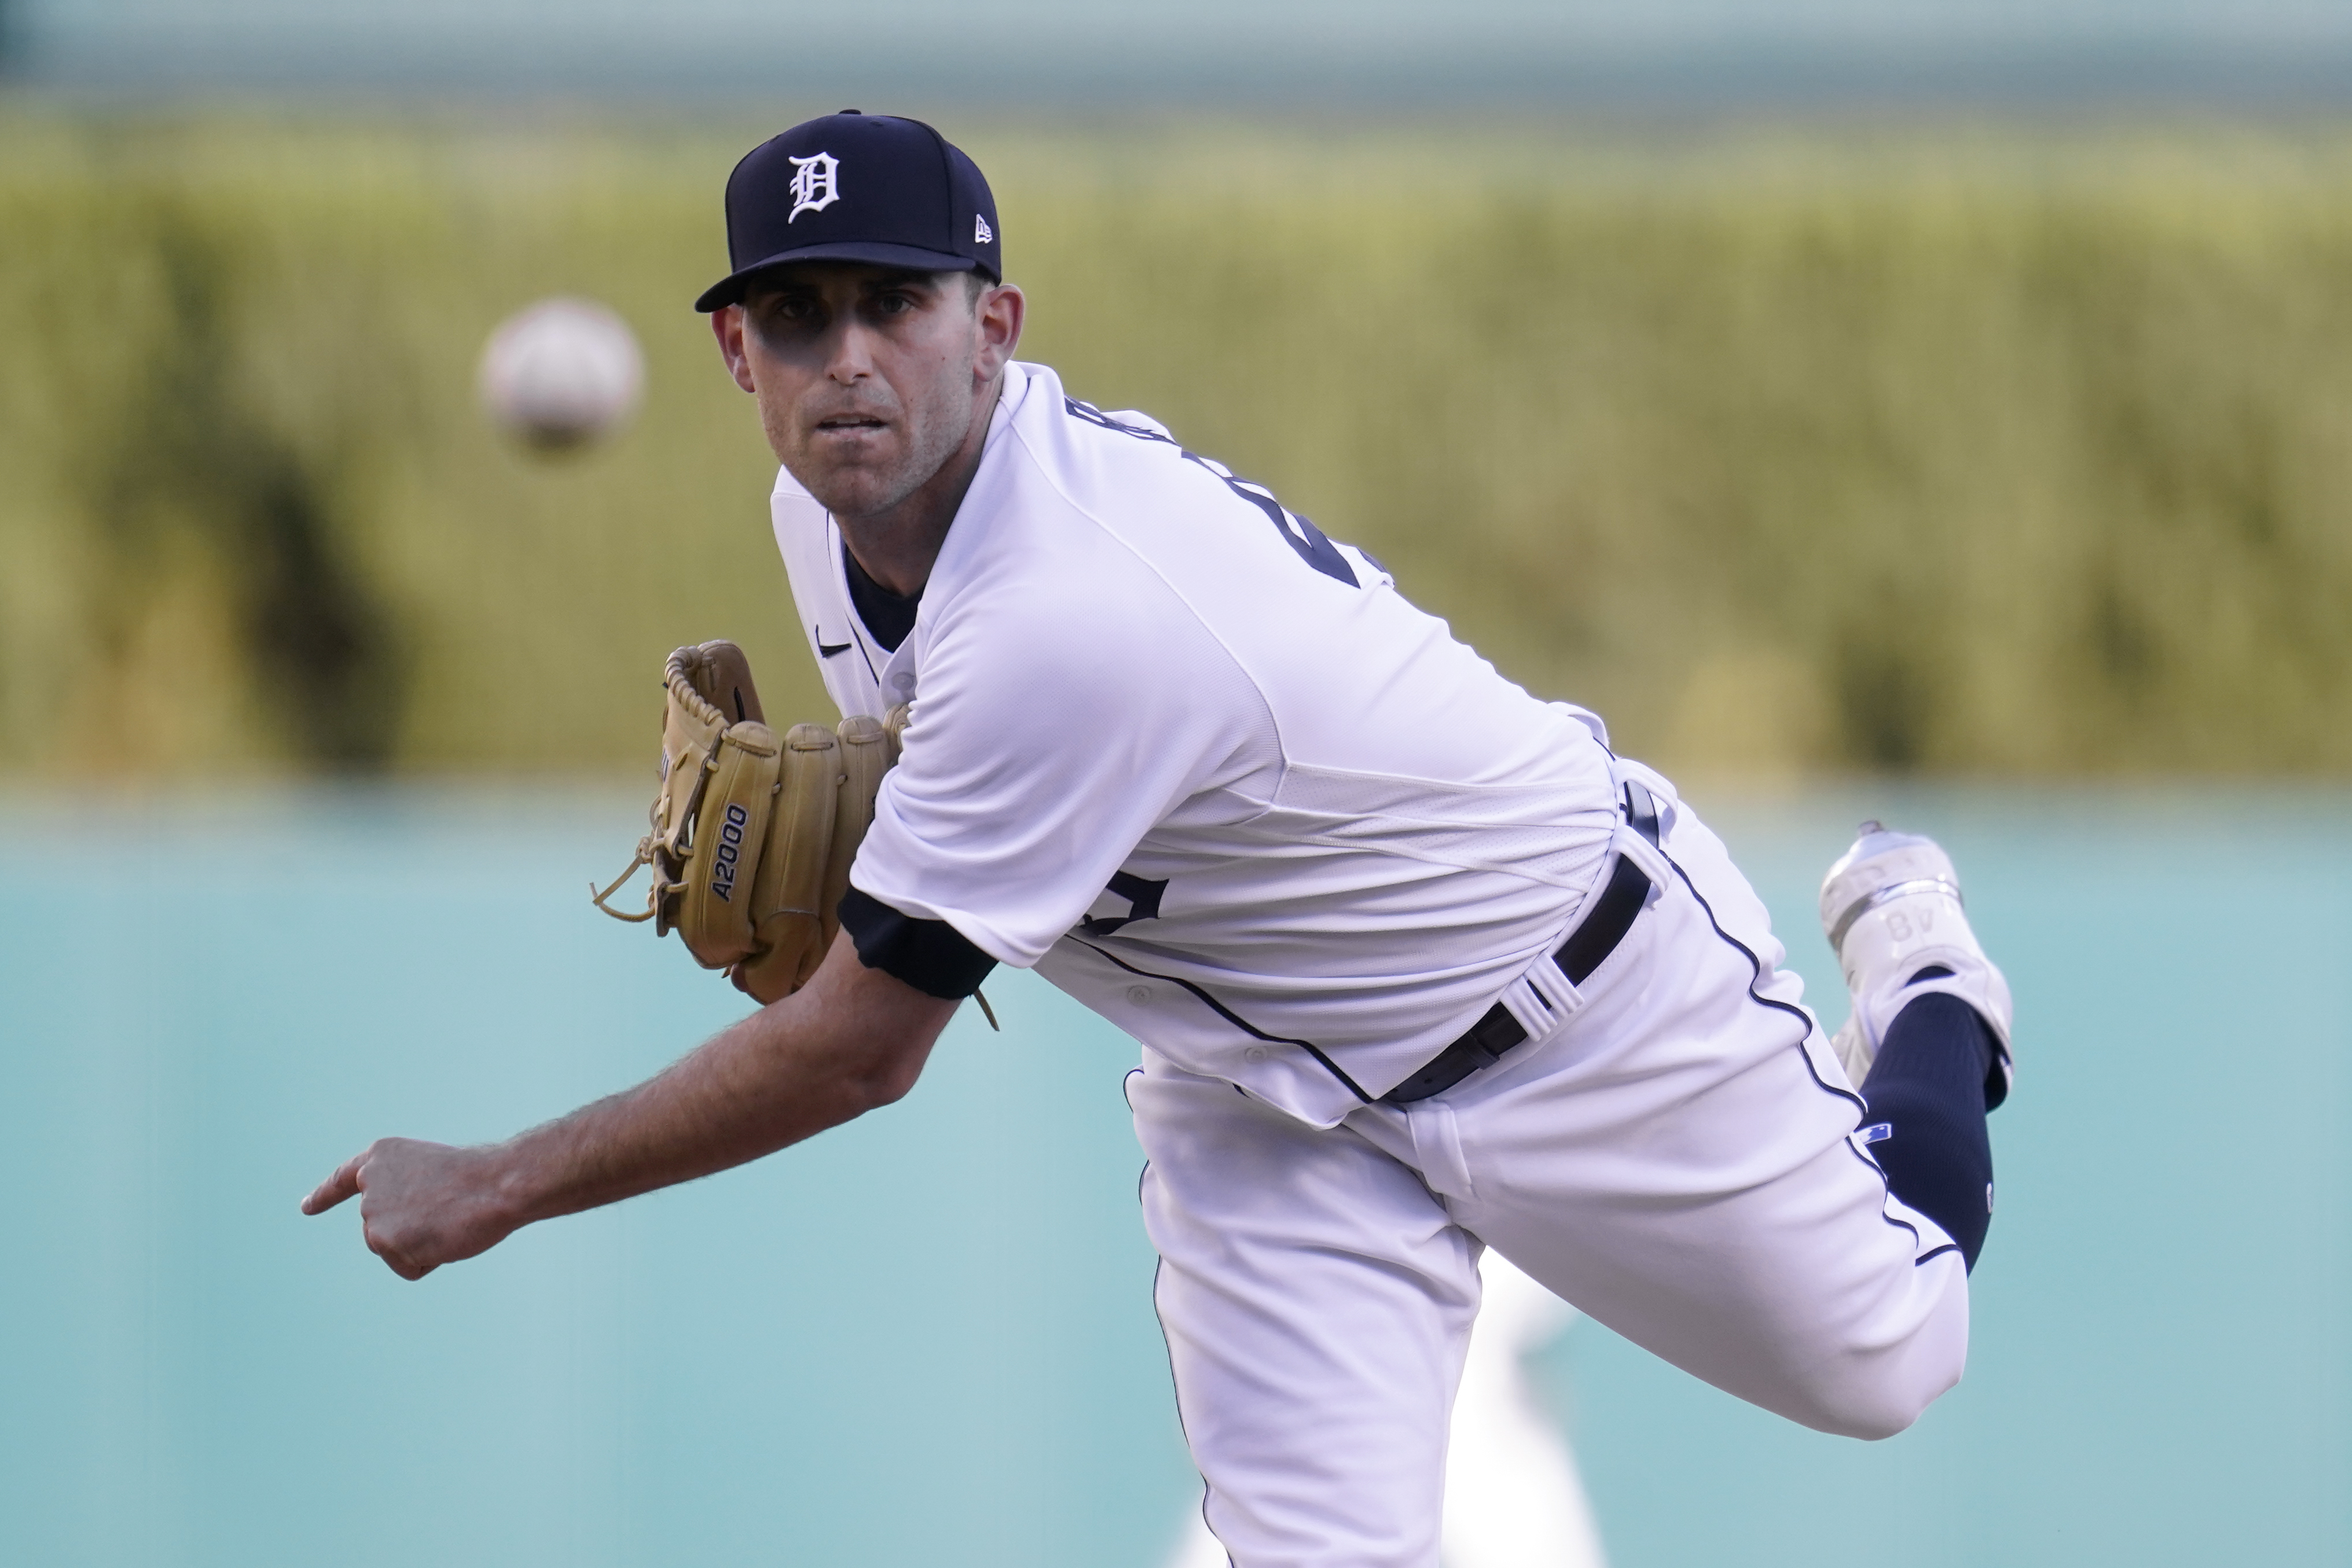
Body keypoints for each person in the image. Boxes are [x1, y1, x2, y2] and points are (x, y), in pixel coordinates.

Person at [305, 112, 2015, 1567]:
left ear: (995, 325)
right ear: (734, 352)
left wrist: (500, 1181)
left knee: (1889, 1356)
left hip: (1568, 999)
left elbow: (854, 1054)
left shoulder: (1076, 605)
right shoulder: (822, 522)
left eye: (896, 303)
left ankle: (1926, 962)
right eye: (796, 311)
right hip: (1256, 1084)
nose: (848, 357)